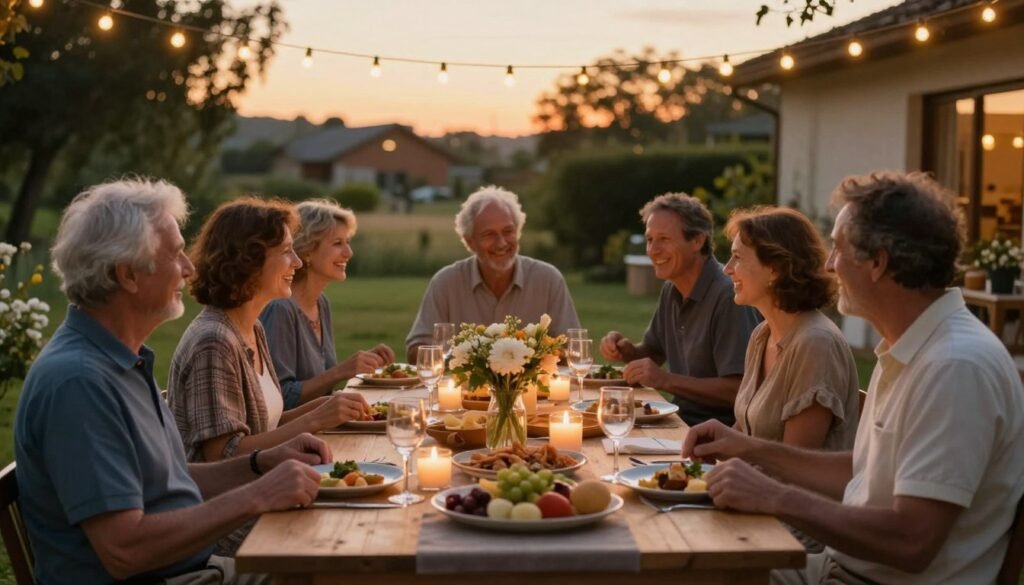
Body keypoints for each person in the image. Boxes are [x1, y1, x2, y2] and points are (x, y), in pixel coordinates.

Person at [683, 172, 1024, 584]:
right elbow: (864, 472)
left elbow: (912, 541)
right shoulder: (911, 347)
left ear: (877, 262)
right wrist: (749, 448)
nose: (828, 264)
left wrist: (773, 495)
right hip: (837, 567)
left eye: (839, 248)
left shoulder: (955, 366)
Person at [14, 179, 329, 585]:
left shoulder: (120, 361)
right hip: (164, 578)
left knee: (326, 560)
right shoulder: (79, 382)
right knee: (327, 570)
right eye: (176, 254)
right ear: (128, 274)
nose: (190, 268)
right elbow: (125, 550)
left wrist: (258, 464)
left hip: (191, 568)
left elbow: (169, 480)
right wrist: (259, 494)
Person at [600, 193, 760, 426]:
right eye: (649, 239)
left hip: (718, 435)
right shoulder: (671, 290)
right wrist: (625, 350)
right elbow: (654, 352)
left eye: (664, 239)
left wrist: (666, 380)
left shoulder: (728, 296)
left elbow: (740, 389)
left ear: (697, 241)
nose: (653, 250)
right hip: (678, 422)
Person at [723, 207, 859, 450]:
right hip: (751, 482)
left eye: (738, 257)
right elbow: (747, 428)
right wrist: (712, 445)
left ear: (775, 268)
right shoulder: (761, 335)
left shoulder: (816, 344)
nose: (727, 268)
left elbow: (796, 461)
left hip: (792, 488)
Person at [405, 185, 580, 362]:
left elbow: (572, 351)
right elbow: (417, 351)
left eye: (508, 231)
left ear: (518, 233)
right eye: (489, 234)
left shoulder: (548, 280)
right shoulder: (446, 283)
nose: (501, 243)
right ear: (470, 242)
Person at [260, 199, 395, 409]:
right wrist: (342, 371)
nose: (348, 252)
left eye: (347, 242)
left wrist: (361, 364)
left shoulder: (321, 304)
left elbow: (321, 386)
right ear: (306, 250)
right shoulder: (281, 309)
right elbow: (280, 399)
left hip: (322, 428)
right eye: (337, 243)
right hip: (292, 438)